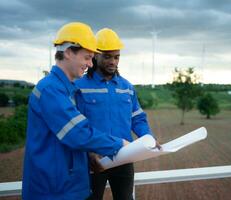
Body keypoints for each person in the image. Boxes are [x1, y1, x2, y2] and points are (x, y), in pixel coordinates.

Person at [22, 22, 129, 200]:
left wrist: (89, 157)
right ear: (69, 52)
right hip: (54, 191)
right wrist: (121, 145)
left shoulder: (66, 89)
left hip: (68, 186)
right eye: (87, 57)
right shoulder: (51, 90)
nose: (90, 63)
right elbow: (77, 134)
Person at [75, 28, 161, 200]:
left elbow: (138, 118)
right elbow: (75, 127)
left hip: (124, 157)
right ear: (95, 55)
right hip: (93, 160)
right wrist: (87, 153)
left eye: (116, 57)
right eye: (107, 56)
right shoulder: (79, 86)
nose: (113, 61)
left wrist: (148, 138)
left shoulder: (127, 87)